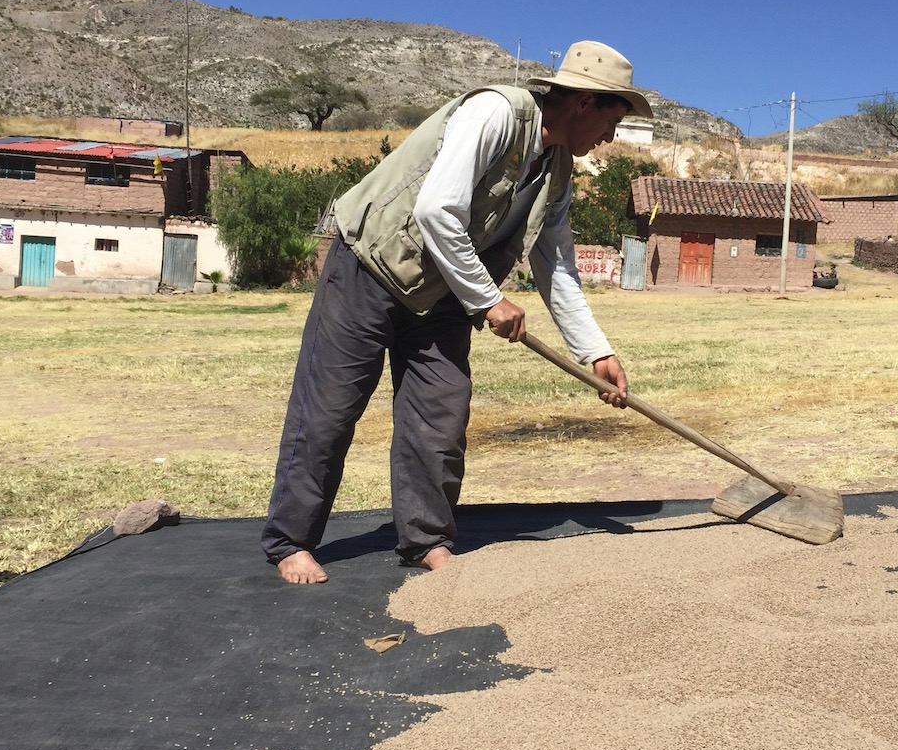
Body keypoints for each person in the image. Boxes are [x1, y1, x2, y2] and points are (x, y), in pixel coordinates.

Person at [261, 41, 653, 583]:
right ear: (584, 102)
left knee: (439, 417)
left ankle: (425, 540)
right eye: (614, 118)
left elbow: (556, 264)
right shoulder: (496, 112)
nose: (611, 137)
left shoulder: (558, 170)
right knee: (328, 411)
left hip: (444, 296)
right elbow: (435, 209)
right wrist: (490, 300)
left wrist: (595, 351)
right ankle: (291, 541)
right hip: (369, 269)